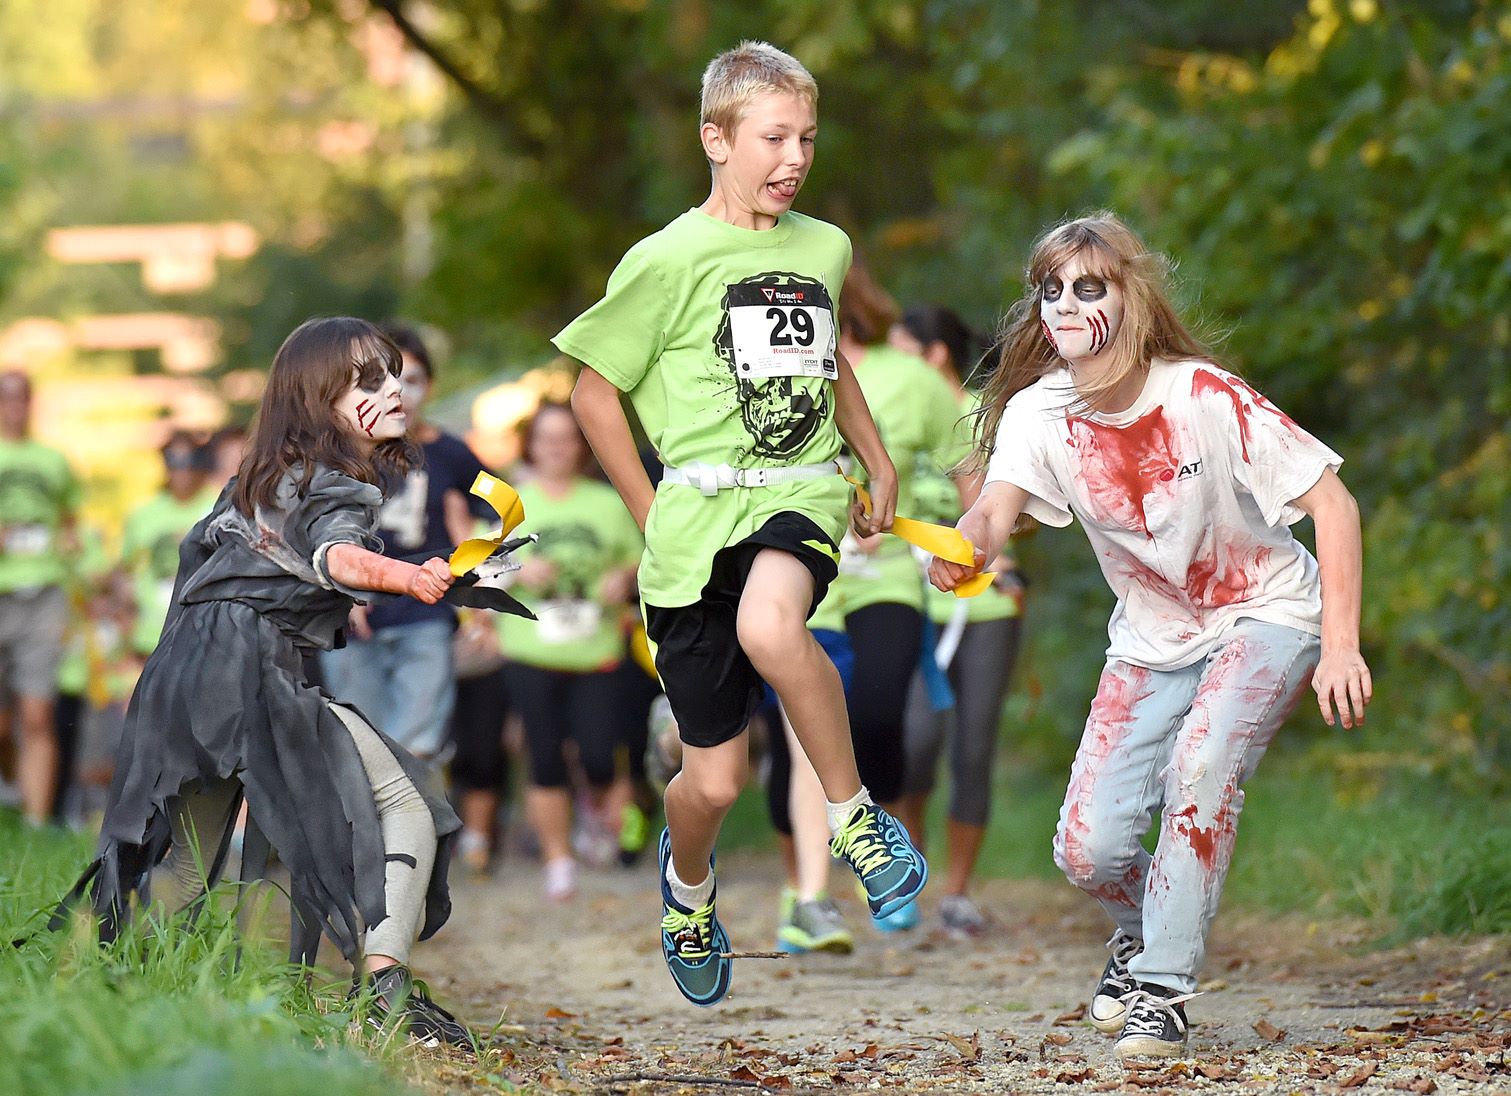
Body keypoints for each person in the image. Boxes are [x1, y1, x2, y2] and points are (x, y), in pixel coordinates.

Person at [930, 213, 1370, 1057]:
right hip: (1151, 636)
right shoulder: (1037, 414)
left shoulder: (1202, 395)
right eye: (1050, 290)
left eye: (1088, 287)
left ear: (1129, 300)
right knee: (1085, 848)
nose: (1065, 305)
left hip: (1264, 612)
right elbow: (993, 510)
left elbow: (1332, 504)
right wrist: (963, 551)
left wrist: (1341, 645)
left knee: (1200, 766)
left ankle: (1162, 991)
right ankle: (1139, 937)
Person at [559, 40, 926, 1007]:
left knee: (774, 626)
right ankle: (687, 894)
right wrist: (651, 513)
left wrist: (876, 458)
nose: (794, 156)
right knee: (713, 782)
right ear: (715, 140)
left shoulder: (825, 247)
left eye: (806, 136)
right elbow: (594, 398)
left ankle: (851, 815)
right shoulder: (665, 258)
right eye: (773, 137)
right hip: (692, 516)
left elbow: (828, 364)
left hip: (797, 489)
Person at [70, 318, 473, 1047]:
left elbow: (208, 569)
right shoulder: (339, 480)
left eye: (392, 374)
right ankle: (384, 999)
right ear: (316, 396)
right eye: (367, 380)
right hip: (245, 669)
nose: (392, 390)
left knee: (191, 866)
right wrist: (403, 575)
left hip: (185, 672)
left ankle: (136, 1008)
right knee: (409, 804)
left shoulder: (256, 472)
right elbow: (336, 555)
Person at [826, 266, 963, 932]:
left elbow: (970, 466)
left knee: (881, 713)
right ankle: (812, 885)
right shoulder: (758, 368)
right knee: (803, 725)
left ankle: (879, 849)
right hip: (799, 578)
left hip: (886, 576)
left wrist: (967, 542)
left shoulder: (907, 377)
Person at [893, 306, 1025, 938]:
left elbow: (1014, 496)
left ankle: (958, 893)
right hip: (910, 599)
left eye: (901, 351)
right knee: (915, 743)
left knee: (973, 749)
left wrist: (1009, 559)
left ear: (934, 356)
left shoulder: (985, 417)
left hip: (985, 605)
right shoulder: (888, 414)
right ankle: (910, 871)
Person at [320, 324, 490, 767]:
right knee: (360, 749)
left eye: (410, 380)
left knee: (419, 745)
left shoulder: (452, 453)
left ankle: (413, 835)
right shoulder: (341, 452)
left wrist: (472, 566)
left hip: (426, 614)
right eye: (381, 379)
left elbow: (504, 512)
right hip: (352, 621)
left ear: (429, 386)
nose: (398, 393)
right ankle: (370, 837)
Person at [496, 402, 642, 901]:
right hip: (529, 646)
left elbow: (641, 562)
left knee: (601, 755)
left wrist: (621, 578)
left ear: (581, 446)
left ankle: (594, 812)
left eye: (566, 438)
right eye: (546, 438)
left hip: (595, 648)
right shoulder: (511, 504)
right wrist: (518, 569)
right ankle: (558, 859)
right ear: (530, 446)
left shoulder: (607, 502)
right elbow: (477, 567)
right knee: (544, 755)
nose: (557, 448)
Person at [0, 370, 82, 826]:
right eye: (6, 399)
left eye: (21, 399)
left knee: (37, 712)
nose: (15, 407)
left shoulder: (54, 461)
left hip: (44, 592)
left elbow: (70, 518)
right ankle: (11, 788)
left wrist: (68, 545)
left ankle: (35, 821)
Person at [120, 431, 219, 658]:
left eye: (189, 460)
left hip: (202, 634)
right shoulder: (143, 515)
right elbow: (125, 572)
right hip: (150, 635)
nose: (181, 469)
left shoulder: (218, 508)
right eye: (173, 461)